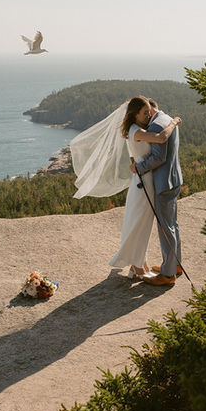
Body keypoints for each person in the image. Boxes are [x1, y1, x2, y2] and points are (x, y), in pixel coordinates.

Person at [70, 96, 181, 278]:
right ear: (134, 114)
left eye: (149, 111)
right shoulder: (136, 130)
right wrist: (174, 122)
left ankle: (139, 263)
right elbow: (161, 138)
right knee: (139, 224)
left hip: (147, 181)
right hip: (143, 183)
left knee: (142, 224)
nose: (149, 115)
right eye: (145, 113)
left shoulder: (139, 128)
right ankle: (137, 265)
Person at [130, 99, 183, 286]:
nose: (146, 117)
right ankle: (175, 265)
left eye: (146, 112)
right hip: (175, 178)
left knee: (165, 228)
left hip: (163, 183)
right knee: (172, 224)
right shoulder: (167, 119)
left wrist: (139, 167)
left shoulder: (156, 126)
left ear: (150, 108)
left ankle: (168, 275)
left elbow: (158, 158)